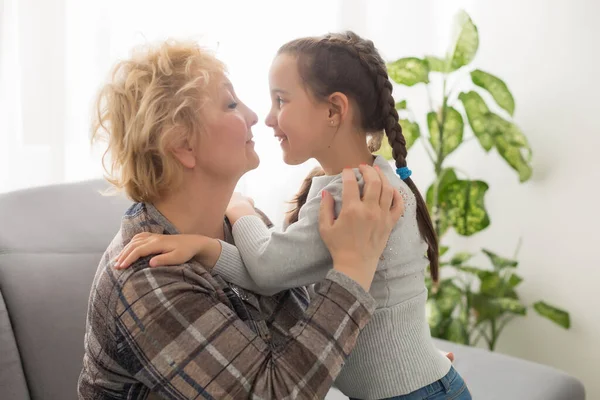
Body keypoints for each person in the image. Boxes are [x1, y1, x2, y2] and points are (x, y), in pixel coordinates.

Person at [116, 32, 471, 400]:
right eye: (231, 105)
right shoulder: (151, 281)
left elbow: (270, 273)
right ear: (182, 146)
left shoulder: (358, 197)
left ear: (334, 110)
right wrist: (208, 244)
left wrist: (239, 213)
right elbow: (269, 277)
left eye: (280, 101)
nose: (261, 117)